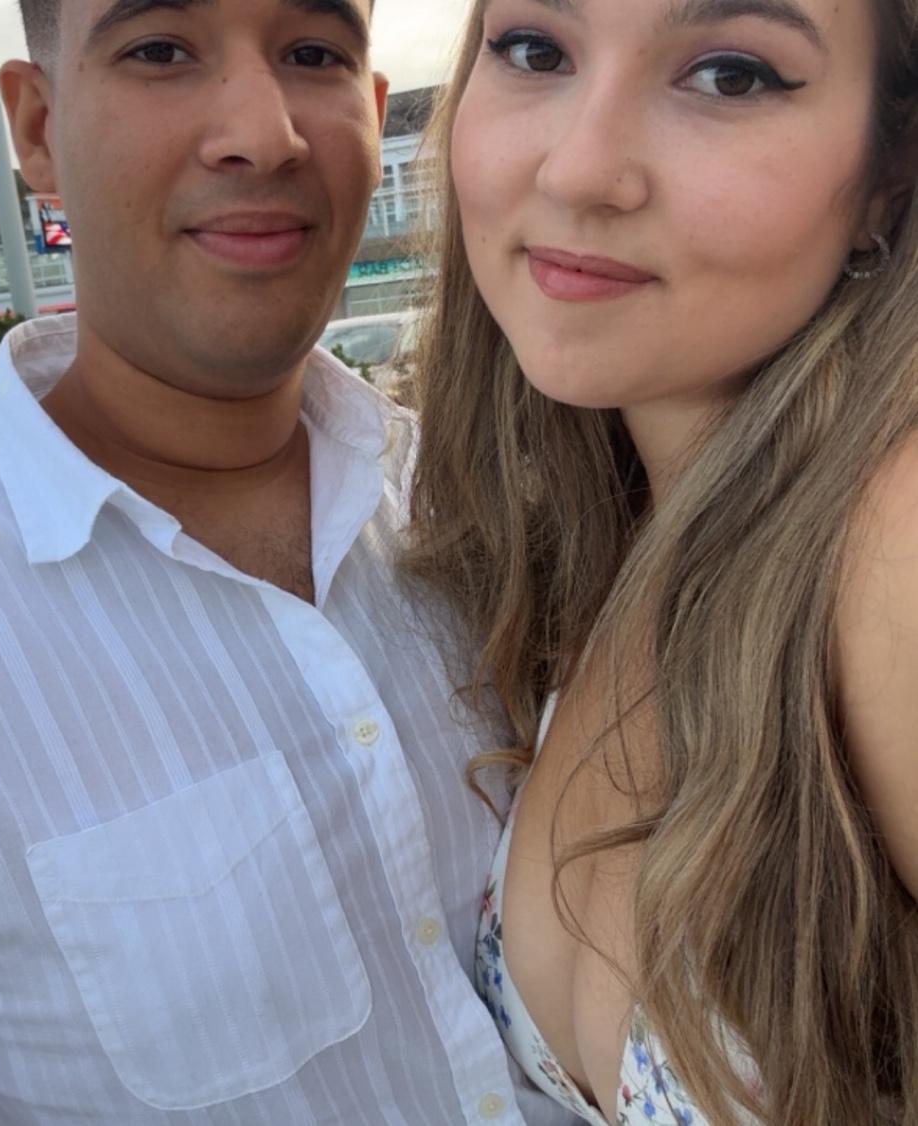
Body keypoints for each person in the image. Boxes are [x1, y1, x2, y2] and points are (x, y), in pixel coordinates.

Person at [0, 2, 581, 1123]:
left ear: (371, 114)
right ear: (37, 127)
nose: (263, 134)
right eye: (160, 50)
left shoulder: (488, 519)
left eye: (312, 54)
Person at [404, 0, 918, 1122]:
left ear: (888, 174)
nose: (580, 169)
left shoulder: (892, 535)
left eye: (731, 76)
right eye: (535, 50)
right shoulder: (599, 545)